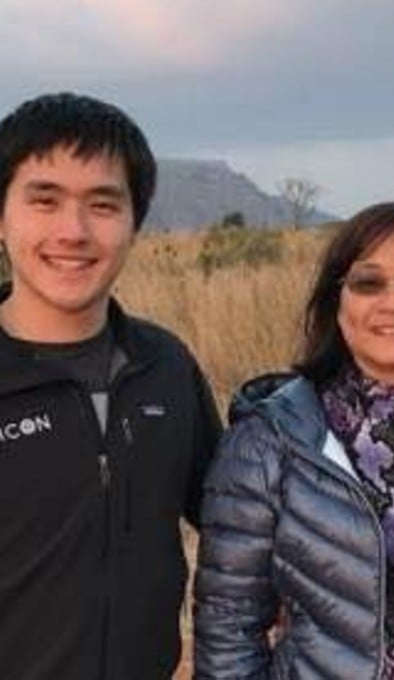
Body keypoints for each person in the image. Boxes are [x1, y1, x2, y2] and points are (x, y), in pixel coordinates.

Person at [193, 202, 394, 679]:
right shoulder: (271, 440)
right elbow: (228, 630)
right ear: (336, 303)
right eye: (368, 283)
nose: (392, 302)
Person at [0, 92, 221, 679]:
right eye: (44, 200)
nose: (72, 231)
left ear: (134, 222)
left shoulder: (166, 367)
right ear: (2, 215)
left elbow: (230, 522)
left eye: (102, 204)